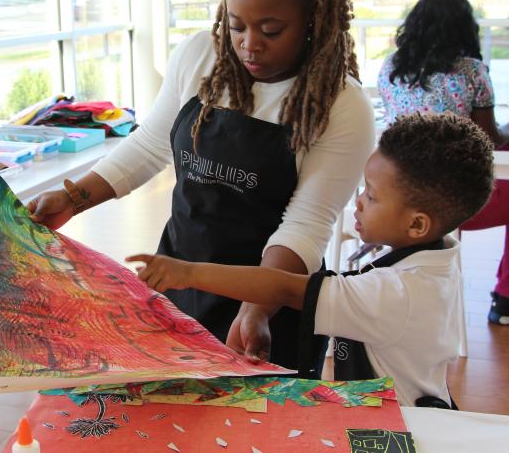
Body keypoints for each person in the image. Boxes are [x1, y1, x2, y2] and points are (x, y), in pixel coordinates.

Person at [28, 0, 375, 372]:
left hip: (272, 298)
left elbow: (305, 224)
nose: (250, 43)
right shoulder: (198, 57)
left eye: (271, 30)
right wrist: (75, 198)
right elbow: (150, 144)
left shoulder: (342, 106)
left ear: (313, 19)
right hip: (179, 274)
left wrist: (255, 306)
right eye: (236, 25)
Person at [127, 114, 495, 407]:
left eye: (372, 194)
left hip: (401, 425)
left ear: (417, 224)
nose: (360, 200)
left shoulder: (396, 293)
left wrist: (188, 271)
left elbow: (285, 287)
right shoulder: (438, 256)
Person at [377, 0, 509, 324]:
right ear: (465, 28)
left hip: (393, 201)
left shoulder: (390, 67)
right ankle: (505, 299)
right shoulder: (472, 72)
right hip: (453, 205)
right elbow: (487, 139)